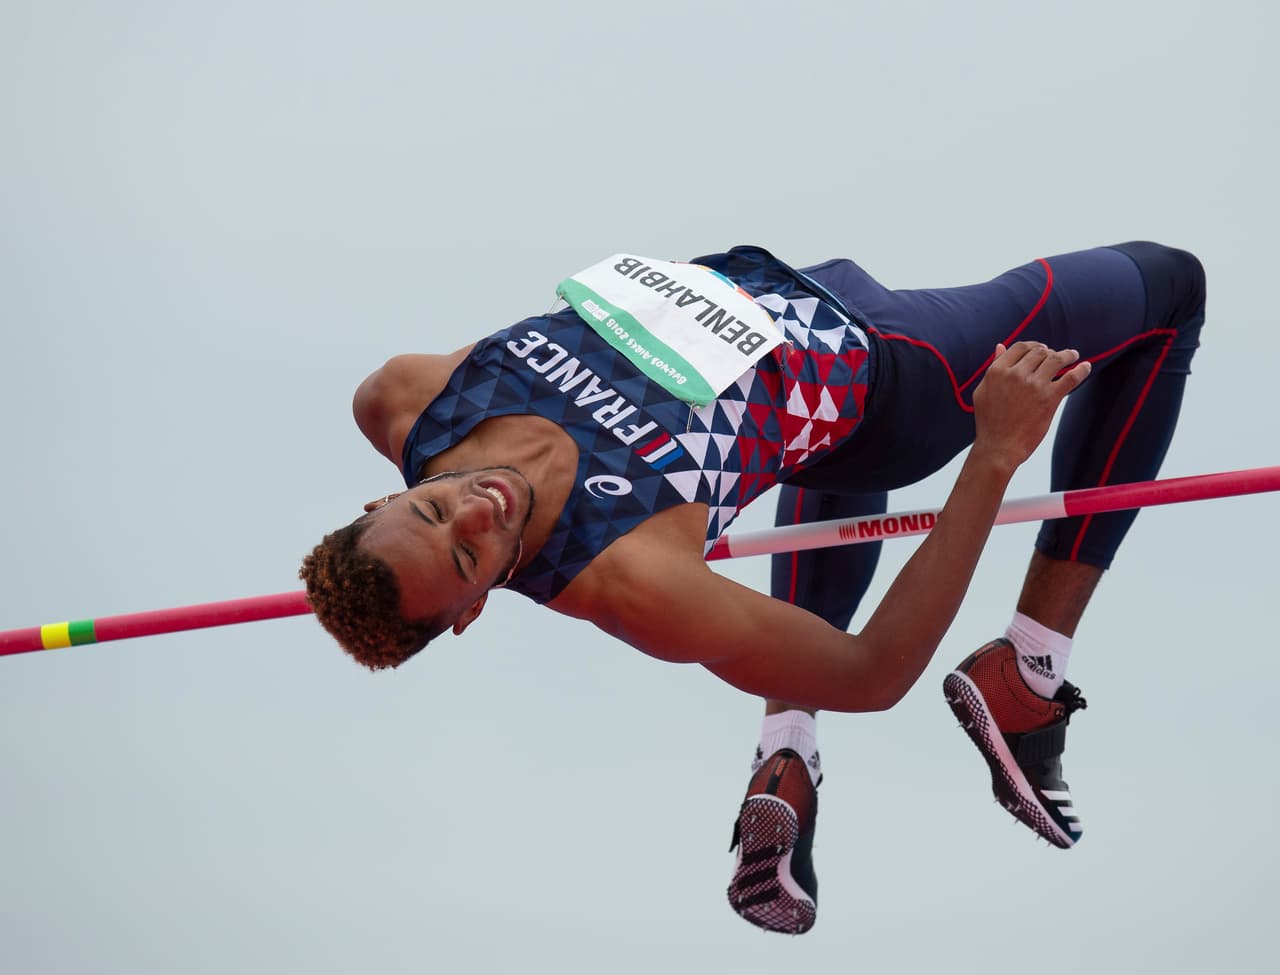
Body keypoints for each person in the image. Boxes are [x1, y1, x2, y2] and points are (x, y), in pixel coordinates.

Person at [300, 242, 1205, 935]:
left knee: (813, 447)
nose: (475, 512)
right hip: (892, 370)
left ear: (390, 488)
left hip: (795, 336)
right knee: (1170, 286)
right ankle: (1030, 673)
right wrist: (995, 453)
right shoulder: (629, 577)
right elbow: (871, 671)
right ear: (471, 612)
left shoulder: (407, 397)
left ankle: (787, 752)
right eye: (467, 558)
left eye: (428, 511)